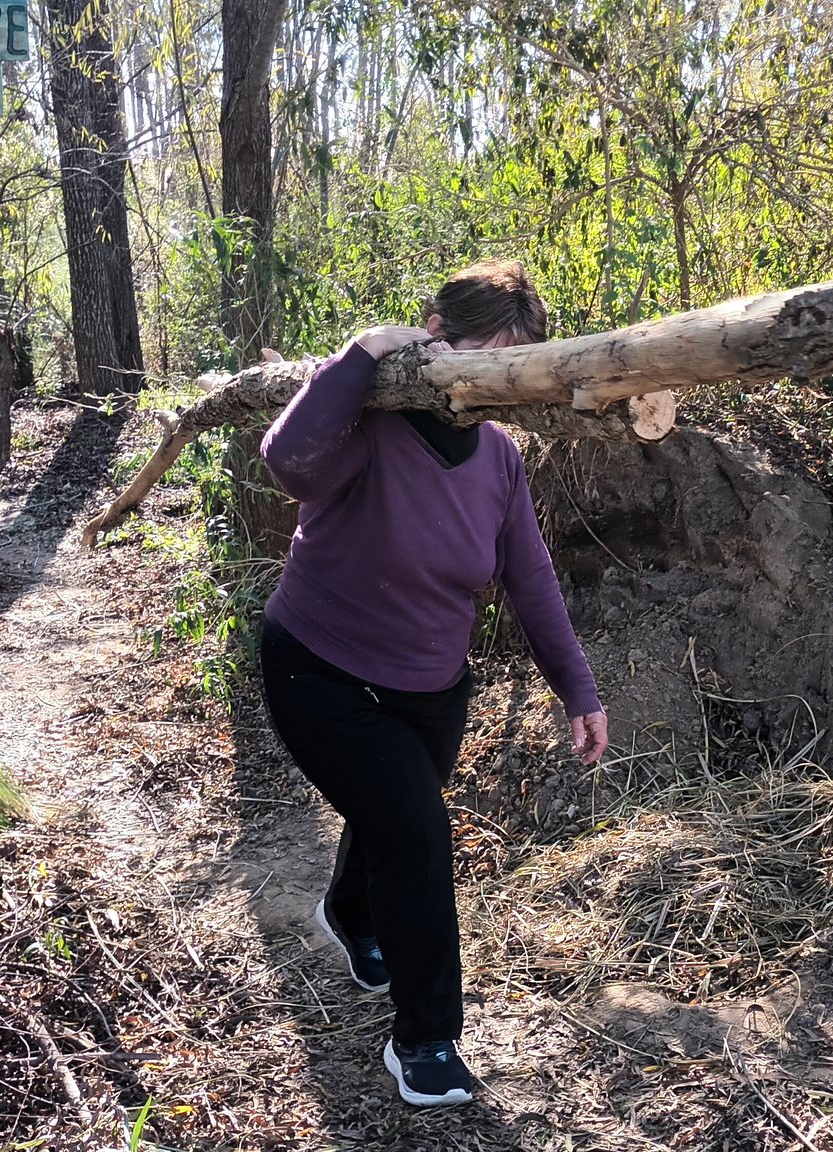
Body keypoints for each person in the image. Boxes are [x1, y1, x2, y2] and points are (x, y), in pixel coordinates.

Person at [256, 259, 610, 1108]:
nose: (496, 378)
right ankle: (425, 1040)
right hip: (318, 665)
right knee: (416, 835)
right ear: (438, 337)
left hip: (431, 686)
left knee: (394, 812)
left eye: (514, 362)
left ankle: (351, 914)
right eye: (486, 354)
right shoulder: (370, 420)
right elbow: (289, 462)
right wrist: (363, 352)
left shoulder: (500, 458)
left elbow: (531, 578)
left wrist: (578, 689)